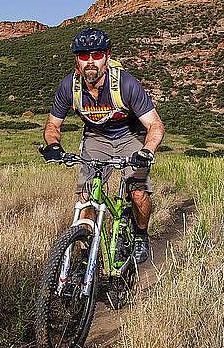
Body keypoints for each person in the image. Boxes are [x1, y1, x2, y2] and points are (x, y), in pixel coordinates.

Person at [41, 28, 165, 264]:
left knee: (138, 193)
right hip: (96, 137)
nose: (90, 61)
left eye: (96, 55)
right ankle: (87, 257)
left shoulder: (125, 83)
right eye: (84, 55)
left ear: (106, 57)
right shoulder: (69, 86)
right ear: (76, 59)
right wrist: (53, 145)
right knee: (85, 198)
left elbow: (155, 125)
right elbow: (52, 126)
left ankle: (140, 235)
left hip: (131, 135)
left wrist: (146, 151)